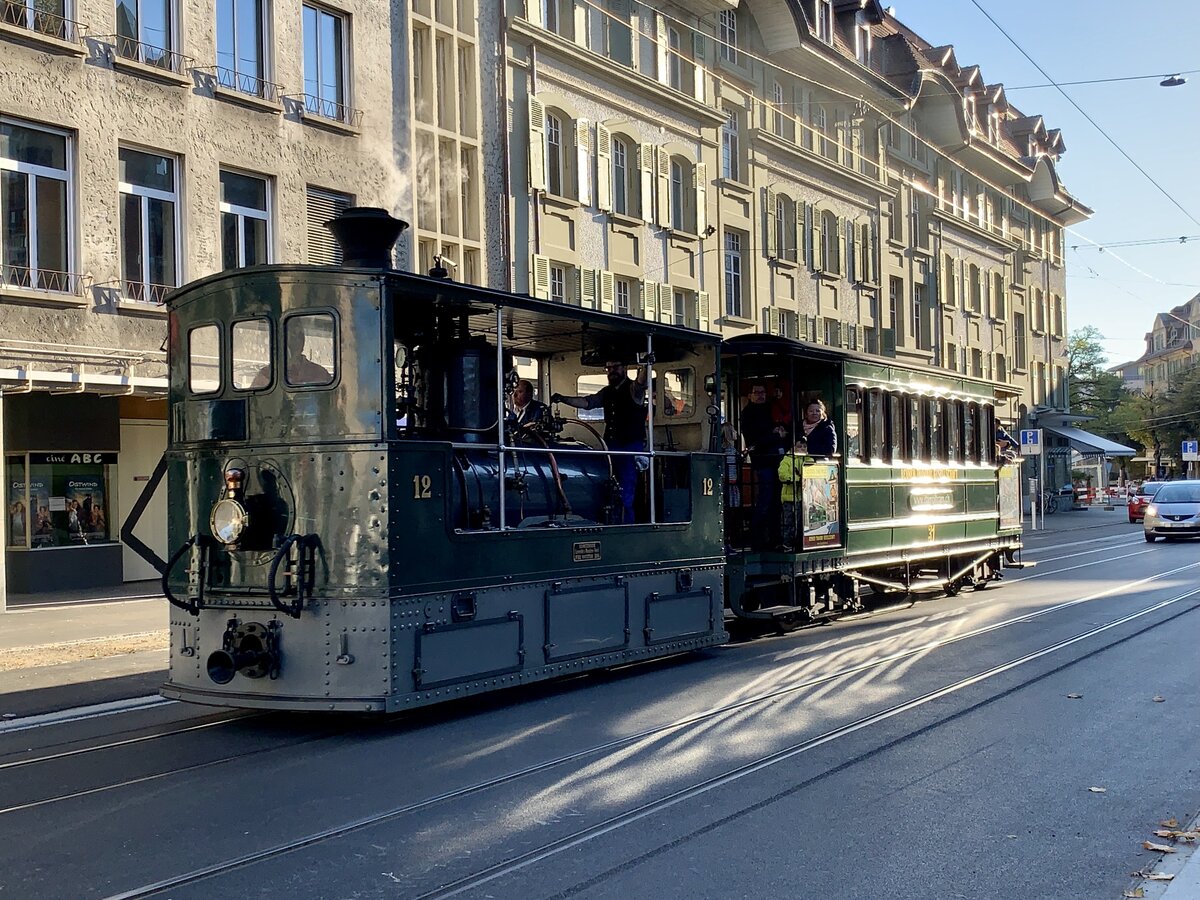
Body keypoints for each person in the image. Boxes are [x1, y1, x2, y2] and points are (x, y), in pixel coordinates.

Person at [552, 360, 647, 524]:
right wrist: (563, 399)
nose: (611, 371)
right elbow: (587, 403)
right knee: (607, 486)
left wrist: (646, 365)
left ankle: (625, 526)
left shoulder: (633, 390)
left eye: (615, 367)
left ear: (625, 368)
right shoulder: (607, 392)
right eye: (608, 368)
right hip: (610, 446)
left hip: (629, 447)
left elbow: (641, 383)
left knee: (625, 490)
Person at [741, 384, 788, 548]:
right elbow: (754, 440)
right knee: (765, 501)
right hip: (763, 462)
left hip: (778, 462)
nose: (760, 395)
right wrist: (775, 435)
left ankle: (775, 538)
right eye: (756, 392)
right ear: (750, 395)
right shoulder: (748, 413)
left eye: (762, 392)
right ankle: (758, 539)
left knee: (776, 501)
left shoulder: (770, 409)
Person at [250, 327, 332, 389]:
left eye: (294, 338)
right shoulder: (265, 375)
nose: (289, 346)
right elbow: (255, 403)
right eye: (285, 339)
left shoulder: (319, 373)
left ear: (302, 342)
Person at [777, 437, 811, 551]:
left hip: (802, 497)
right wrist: (796, 479)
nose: (802, 449)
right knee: (788, 522)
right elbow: (782, 474)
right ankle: (787, 544)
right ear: (793, 448)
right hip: (789, 497)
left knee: (801, 522)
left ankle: (799, 543)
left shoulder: (808, 459)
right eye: (799, 447)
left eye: (804, 447)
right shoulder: (787, 460)